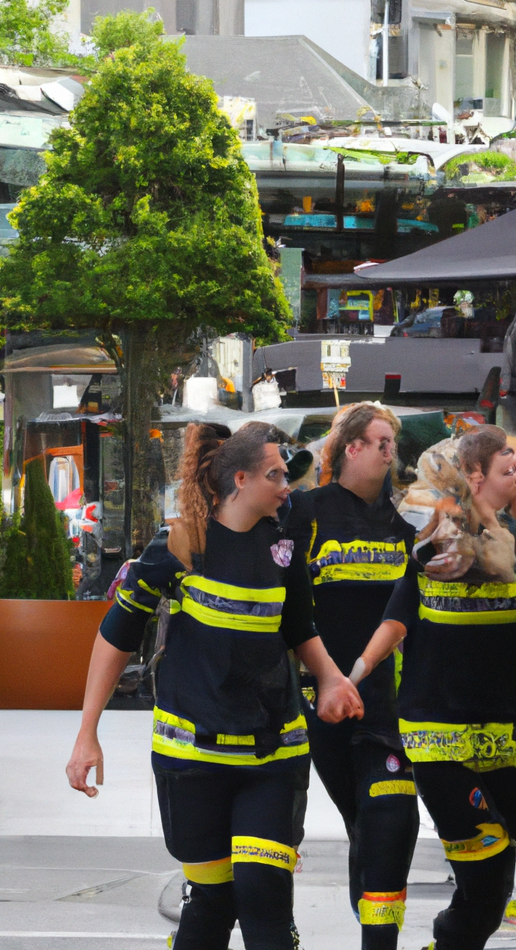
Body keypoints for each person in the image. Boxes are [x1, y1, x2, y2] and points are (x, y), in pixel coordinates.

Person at [67, 421, 363, 949]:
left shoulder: (285, 545)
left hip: (272, 754)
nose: (285, 485)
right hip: (192, 760)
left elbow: (298, 627)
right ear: (240, 480)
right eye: (274, 475)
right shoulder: (181, 545)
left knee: (263, 891)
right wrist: (87, 733)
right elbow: (116, 634)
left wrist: (332, 678)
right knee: (212, 904)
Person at [355, 424, 516, 950]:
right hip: (438, 737)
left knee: (491, 894)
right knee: (488, 868)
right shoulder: (436, 548)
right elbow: (397, 620)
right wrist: (349, 679)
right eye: (507, 468)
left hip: (506, 736)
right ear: (475, 476)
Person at [287, 403, 419, 949]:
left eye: (393, 443)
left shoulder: (404, 522)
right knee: (364, 822)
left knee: (390, 815)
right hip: (325, 704)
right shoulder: (306, 510)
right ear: (350, 449)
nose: (390, 452)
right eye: (380, 441)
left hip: (390, 705)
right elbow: (286, 607)